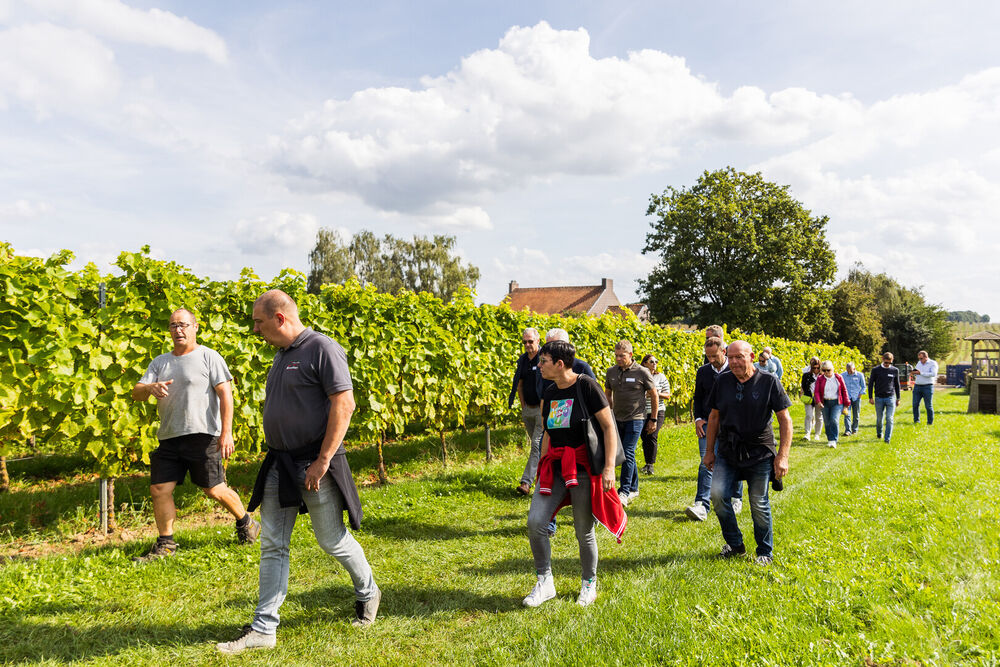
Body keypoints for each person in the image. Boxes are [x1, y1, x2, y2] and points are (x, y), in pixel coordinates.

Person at [217, 290, 379, 655]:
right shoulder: (282, 354)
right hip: (280, 464)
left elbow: (345, 403)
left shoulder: (322, 348)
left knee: (331, 539)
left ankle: (368, 591)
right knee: (273, 543)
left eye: (259, 322)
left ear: (279, 318)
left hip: (314, 464)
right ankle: (264, 629)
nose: (255, 329)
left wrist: (323, 460)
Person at [131, 308, 259, 562]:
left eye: (183, 324)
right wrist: (150, 387)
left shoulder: (209, 357)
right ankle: (166, 544)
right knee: (159, 488)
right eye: (173, 325)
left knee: (214, 489)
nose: (178, 329)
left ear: (195, 327)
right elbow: (136, 392)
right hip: (168, 436)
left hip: (203, 435)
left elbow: (226, 396)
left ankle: (247, 522)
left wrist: (227, 433)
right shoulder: (160, 362)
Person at [523, 340, 626, 608]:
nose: (539, 365)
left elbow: (607, 427)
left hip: (583, 469)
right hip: (556, 468)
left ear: (560, 364)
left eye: (543, 361)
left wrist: (608, 468)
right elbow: (547, 430)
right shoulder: (550, 390)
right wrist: (543, 464)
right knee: (536, 522)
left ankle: (588, 583)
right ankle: (545, 582)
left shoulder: (586, 386)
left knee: (583, 530)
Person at [703, 341, 793, 565]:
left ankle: (764, 552)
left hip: (759, 452)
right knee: (717, 495)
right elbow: (714, 417)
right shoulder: (722, 381)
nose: (733, 362)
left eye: (739, 357)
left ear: (751, 356)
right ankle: (735, 545)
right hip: (727, 450)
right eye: (730, 357)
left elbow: (785, 420)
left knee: (758, 502)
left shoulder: (769, 382)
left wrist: (782, 456)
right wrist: (709, 452)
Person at [686, 336, 743, 521]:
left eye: (714, 356)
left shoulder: (735, 369)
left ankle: (736, 497)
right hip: (708, 424)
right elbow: (698, 397)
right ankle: (702, 504)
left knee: (733, 461)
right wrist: (698, 419)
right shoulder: (703, 372)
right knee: (706, 462)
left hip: (731, 425)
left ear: (723, 351)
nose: (711, 360)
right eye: (708, 356)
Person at [604, 340, 657, 506]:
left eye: (622, 356)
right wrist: (609, 415)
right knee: (625, 455)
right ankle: (634, 488)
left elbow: (654, 395)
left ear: (631, 355)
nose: (619, 359)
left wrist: (653, 419)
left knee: (627, 453)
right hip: (617, 419)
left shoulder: (642, 372)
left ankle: (624, 491)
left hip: (636, 419)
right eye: (616, 355)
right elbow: (607, 394)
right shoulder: (611, 371)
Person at [510, 328, 542, 496]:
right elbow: (520, 384)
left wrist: (544, 408)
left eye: (530, 341)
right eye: (525, 342)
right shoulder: (523, 360)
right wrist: (523, 407)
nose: (528, 345)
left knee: (536, 445)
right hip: (528, 410)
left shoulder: (544, 358)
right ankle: (543, 479)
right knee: (539, 447)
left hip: (541, 410)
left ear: (538, 340)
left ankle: (526, 482)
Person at [639, 354, 671, 475]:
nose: (654, 364)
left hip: (658, 410)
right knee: (644, 437)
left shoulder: (660, 377)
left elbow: (667, 395)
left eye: (656, 361)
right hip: (642, 411)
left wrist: (655, 393)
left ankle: (650, 465)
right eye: (651, 361)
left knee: (652, 435)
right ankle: (647, 463)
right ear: (644, 363)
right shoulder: (640, 375)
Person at [813, 360, 850, 448]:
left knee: (834, 420)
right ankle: (830, 439)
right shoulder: (820, 379)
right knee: (827, 422)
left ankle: (834, 439)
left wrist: (846, 403)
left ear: (832, 369)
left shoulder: (838, 377)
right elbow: (816, 391)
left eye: (828, 370)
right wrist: (818, 401)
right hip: (824, 402)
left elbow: (844, 391)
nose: (826, 372)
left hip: (836, 402)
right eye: (824, 370)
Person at [868, 352, 901, 444]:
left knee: (889, 418)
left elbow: (897, 385)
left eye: (889, 363)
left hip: (890, 397)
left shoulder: (895, 370)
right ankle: (879, 432)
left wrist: (898, 398)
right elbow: (871, 384)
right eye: (886, 362)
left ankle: (887, 438)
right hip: (879, 398)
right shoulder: (876, 370)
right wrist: (870, 397)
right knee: (879, 419)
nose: (887, 365)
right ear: (882, 359)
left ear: (892, 361)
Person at [911, 350, 938, 425]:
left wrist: (921, 373)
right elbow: (917, 373)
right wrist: (914, 373)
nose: (920, 360)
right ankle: (916, 421)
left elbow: (933, 374)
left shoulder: (933, 363)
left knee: (928, 406)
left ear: (926, 357)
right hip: (917, 386)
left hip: (927, 386)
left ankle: (929, 422)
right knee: (915, 404)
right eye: (919, 358)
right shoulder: (919, 363)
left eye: (921, 358)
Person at [800, 358, 824, 441]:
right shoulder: (806, 375)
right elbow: (803, 385)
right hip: (808, 398)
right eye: (814, 368)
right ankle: (807, 433)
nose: (816, 370)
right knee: (809, 415)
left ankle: (817, 434)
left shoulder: (823, 376)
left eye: (818, 368)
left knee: (819, 417)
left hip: (819, 399)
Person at [840, 362, 866, 436]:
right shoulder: (842, 375)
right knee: (846, 414)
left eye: (850, 371)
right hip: (846, 398)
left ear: (854, 369)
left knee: (856, 415)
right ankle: (848, 431)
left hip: (856, 397)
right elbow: (840, 386)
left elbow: (863, 386)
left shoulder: (860, 375)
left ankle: (854, 429)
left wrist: (860, 394)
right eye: (848, 371)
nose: (849, 372)